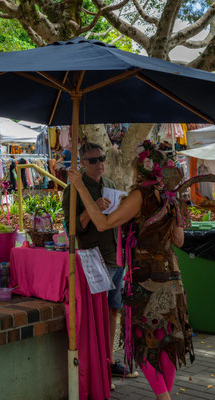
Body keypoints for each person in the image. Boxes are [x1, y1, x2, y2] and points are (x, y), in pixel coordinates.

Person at [69, 140, 214, 400]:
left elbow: (103, 224)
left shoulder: (141, 195)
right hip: (171, 274)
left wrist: (80, 187)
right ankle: (165, 395)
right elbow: (179, 240)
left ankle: (164, 397)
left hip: (145, 277)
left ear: (142, 168)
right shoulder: (171, 197)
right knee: (167, 339)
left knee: (146, 341)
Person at [62, 142, 134, 380]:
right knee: (97, 314)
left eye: (101, 158)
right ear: (82, 163)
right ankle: (97, 364)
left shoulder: (111, 185)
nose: (99, 164)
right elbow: (71, 228)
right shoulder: (73, 189)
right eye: (93, 160)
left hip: (115, 257)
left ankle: (109, 360)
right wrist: (92, 209)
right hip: (93, 257)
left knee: (113, 311)